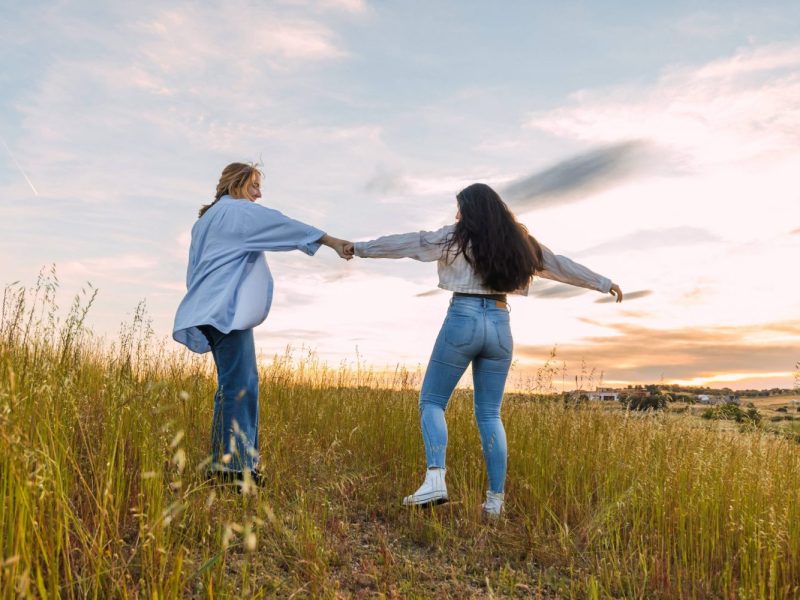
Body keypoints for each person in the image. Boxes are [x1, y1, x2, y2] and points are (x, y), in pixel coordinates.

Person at [346, 183, 622, 515]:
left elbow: (408, 243)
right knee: (490, 414)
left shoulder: (454, 237)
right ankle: (495, 502)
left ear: (470, 210)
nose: (458, 215)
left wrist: (359, 248)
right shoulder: (520, 243)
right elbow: (559, 265)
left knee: (432, 402)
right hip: (500, 324)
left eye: (460, 208)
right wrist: (603, 283)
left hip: (463, 318)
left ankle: (435, 478)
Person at [173, 162, 351, 484]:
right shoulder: (238, 212)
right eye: (254, 185)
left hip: (208, 310)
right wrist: (332, 241)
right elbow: (283, 226)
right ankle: (236, 471)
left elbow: (194, 269)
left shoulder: (205, 222)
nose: (259, 193)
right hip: (226, 312)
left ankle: (223, 462)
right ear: (237, 185)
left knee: (230, 386)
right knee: (242, 386)